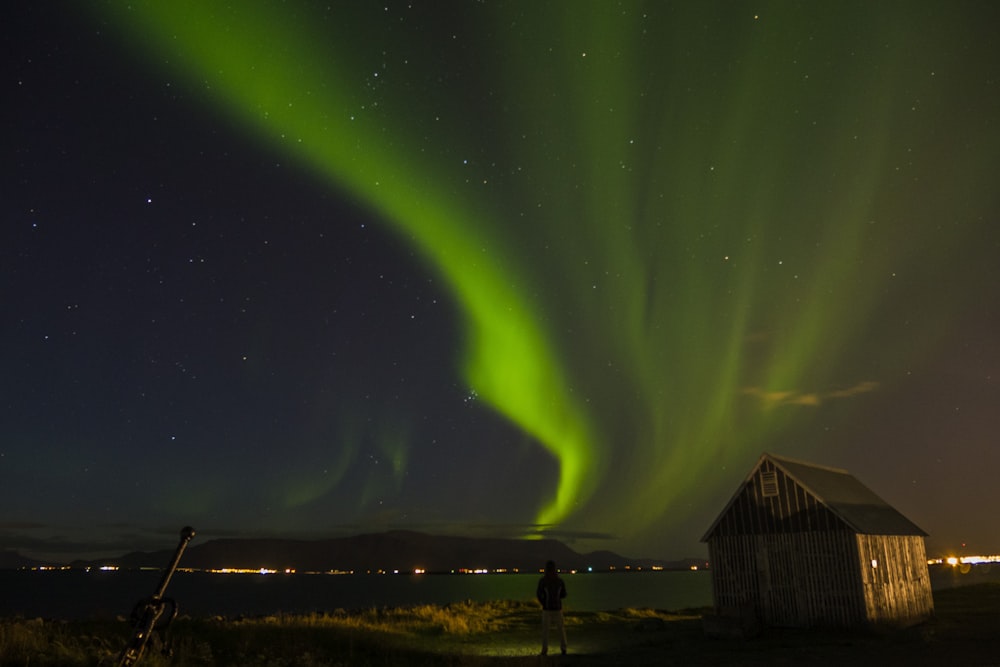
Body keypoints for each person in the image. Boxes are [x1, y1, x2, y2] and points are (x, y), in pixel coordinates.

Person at [536, 560, 567, 655]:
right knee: (561, 629)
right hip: (557, 608)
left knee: (545, 630)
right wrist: (557, 599)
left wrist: (543, 603)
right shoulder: (559, 581)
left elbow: (538, 593)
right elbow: (564, 594)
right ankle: (563, 648)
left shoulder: (543, 581)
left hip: (547, 608)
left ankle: (544, 649)